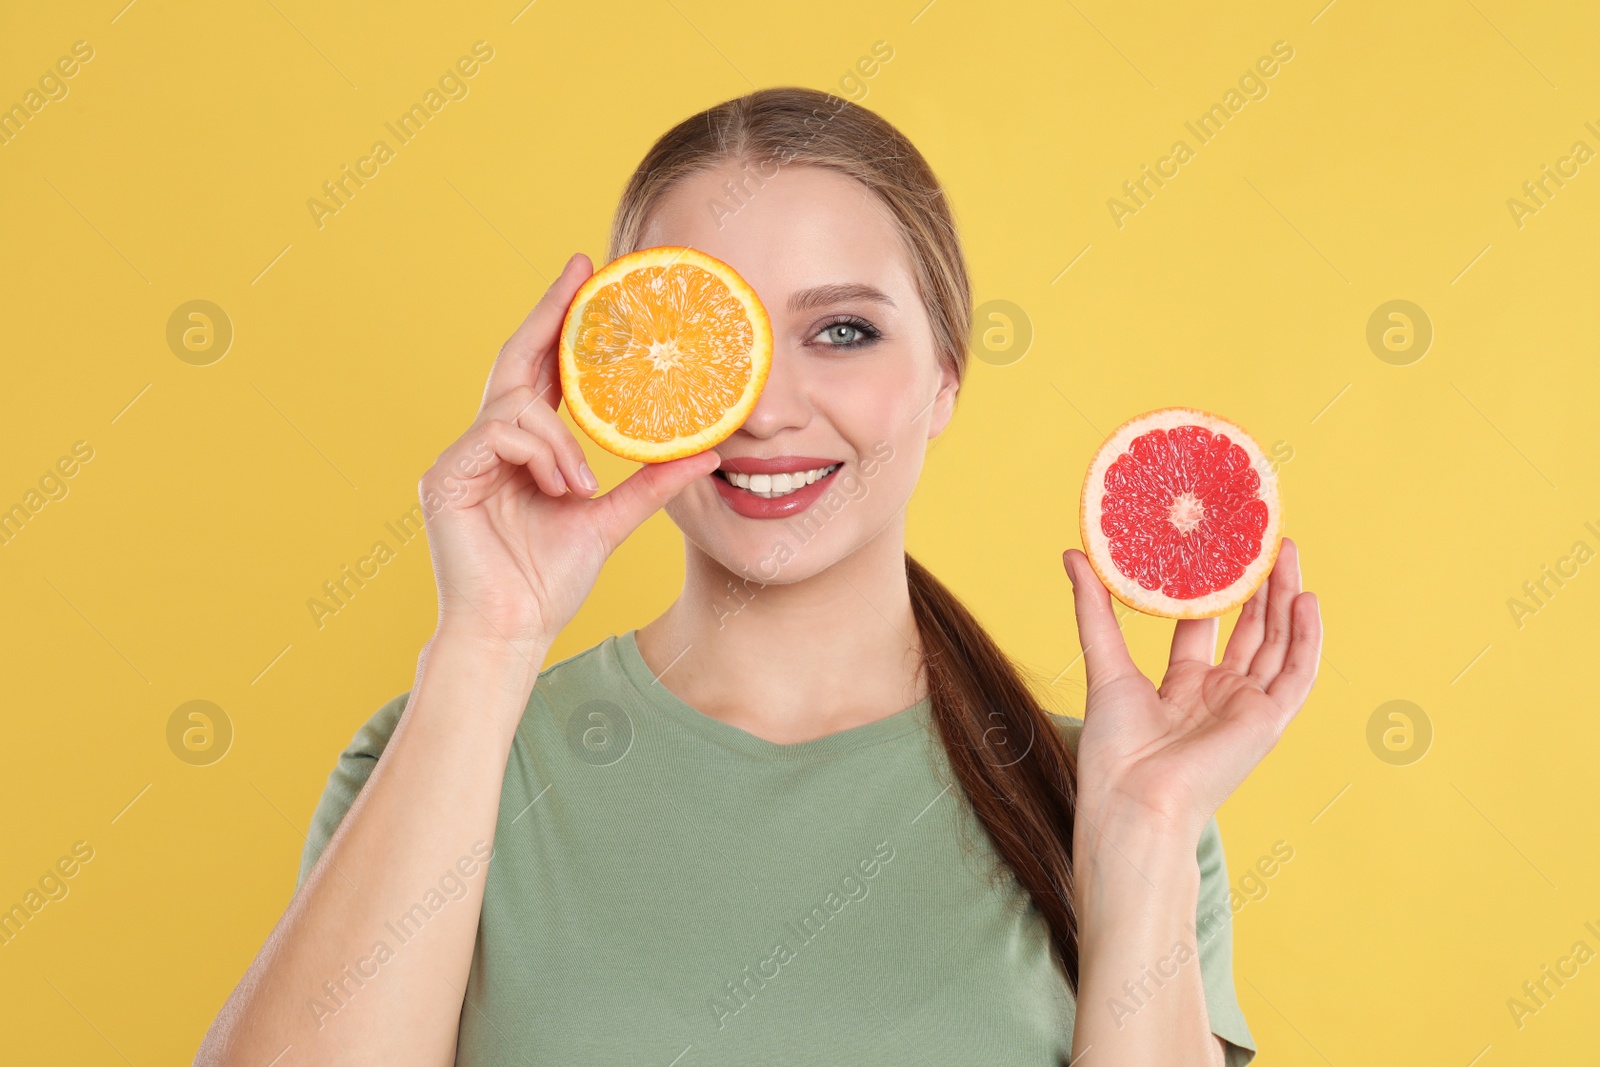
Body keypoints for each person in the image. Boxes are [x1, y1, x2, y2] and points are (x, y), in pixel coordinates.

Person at [196, 86, 1321, 1066]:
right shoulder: (450, 748)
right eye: (705, 338)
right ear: (605, 372)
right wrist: (485, 644)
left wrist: (1142, 839)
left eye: (840, 330)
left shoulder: (1118, 797)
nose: (769, 407)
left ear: (943, 379)